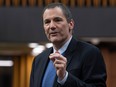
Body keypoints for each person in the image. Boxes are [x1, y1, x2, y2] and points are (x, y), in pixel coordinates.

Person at [30, 3, 107, 87]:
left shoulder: (90, 53)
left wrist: (65, 78)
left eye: (57, 20)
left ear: (71, 24)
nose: (52, 26)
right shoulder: (38, 60)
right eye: (47, 22)